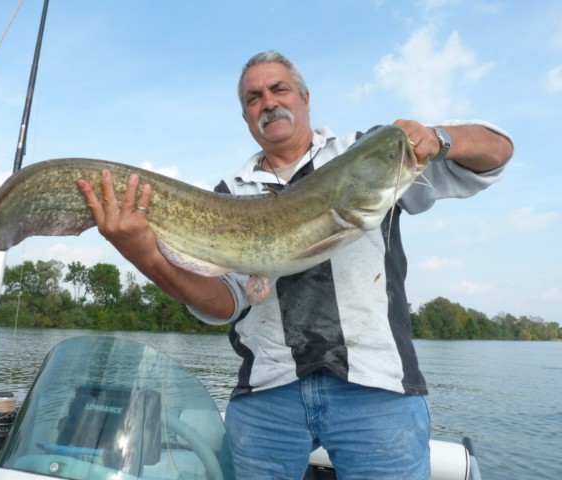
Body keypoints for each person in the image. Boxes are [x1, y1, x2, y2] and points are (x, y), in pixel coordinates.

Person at [77, 51, 514, 479]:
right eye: (253, 98)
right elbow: (222, 304)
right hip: (268, 392)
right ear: (246, 117)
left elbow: (497, 151)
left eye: (278, 89)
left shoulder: (368, 154)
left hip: (378, 390)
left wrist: (440, 138)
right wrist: (144, 254)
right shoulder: (228, 194)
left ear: (305, 98)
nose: (267, 102)